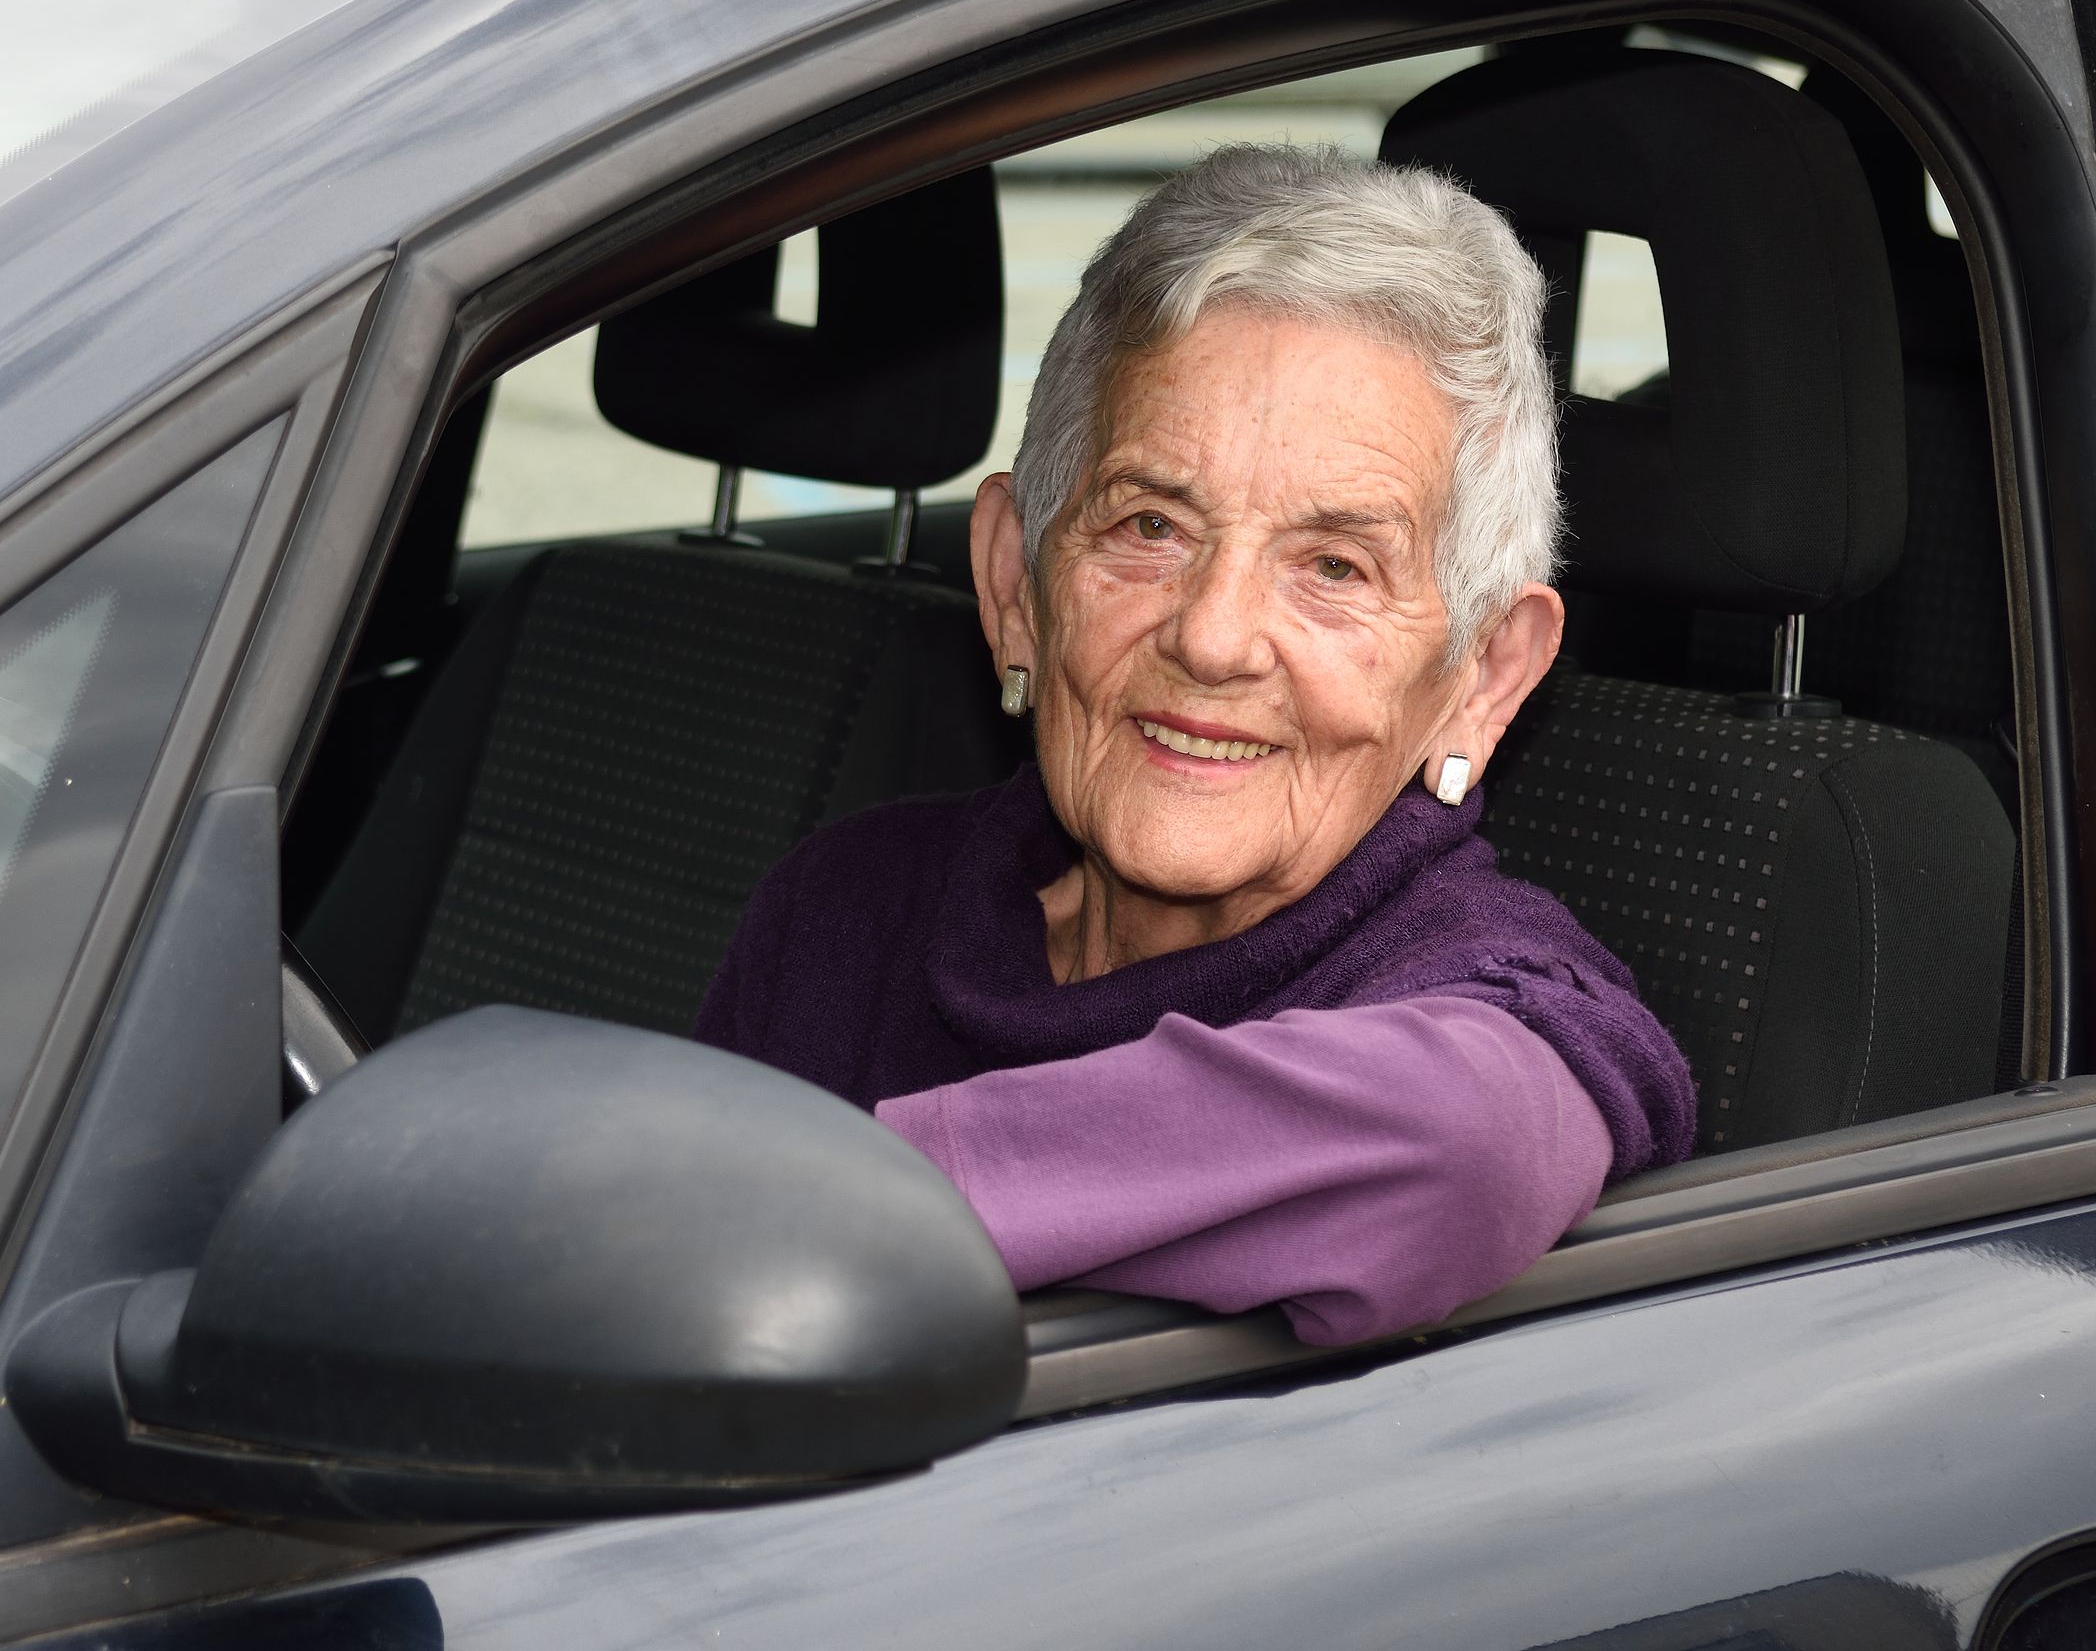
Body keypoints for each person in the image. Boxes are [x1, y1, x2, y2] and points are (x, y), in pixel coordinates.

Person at [696, 145, 1694, 1347]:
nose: (1215, 639)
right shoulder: (846, 909)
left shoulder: (1490, 994)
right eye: (1150, 524)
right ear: (1015, 581)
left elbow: (1470, 1143)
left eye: (1334, 566)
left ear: (1482, 678)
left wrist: (759, 1207)